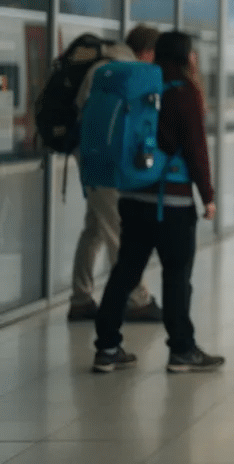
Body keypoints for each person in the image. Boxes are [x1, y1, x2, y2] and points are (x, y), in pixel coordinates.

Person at [92, 31, 224, 373]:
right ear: (187, 57)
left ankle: (107, 347)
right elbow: (196, 150)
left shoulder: (143, 88)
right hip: (174, 205)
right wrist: (207, 195)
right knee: (177, 275)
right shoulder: (184, 93)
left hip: (134, 198)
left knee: (125, 272)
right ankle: (182, 350)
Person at [68, 24, 163, 322]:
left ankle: (81, 298)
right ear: (147, 52)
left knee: (95, 228)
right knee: (118, 229)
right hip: (110, 162)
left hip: (93, 159)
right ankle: (137, 299)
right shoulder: (123, 71)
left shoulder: (102, 67)